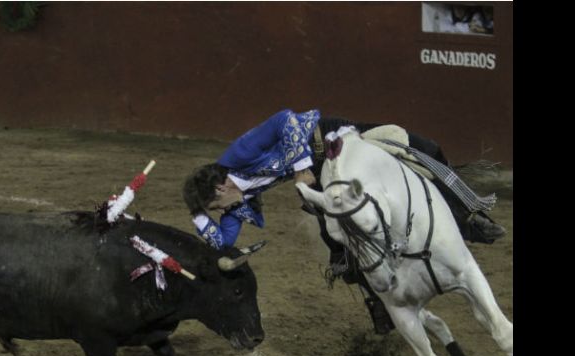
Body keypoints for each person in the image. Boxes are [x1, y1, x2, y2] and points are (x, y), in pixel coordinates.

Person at [182, 109, 506, 334]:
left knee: (421, 149)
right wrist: (207, 230)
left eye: (216, 205)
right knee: (337, 243)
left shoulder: (238, 154)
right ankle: (377, 302)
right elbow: (227, 236)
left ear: (221, 187)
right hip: (317, 177)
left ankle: (468, 220)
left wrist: (298, 167)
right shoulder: (236, 196)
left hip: (331, 139)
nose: (223, 211)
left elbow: (285, 119)